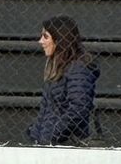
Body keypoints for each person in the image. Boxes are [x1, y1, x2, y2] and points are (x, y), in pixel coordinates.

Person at [27, 16, 100, 146]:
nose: (40, 41)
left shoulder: (78, 69)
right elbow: (47, 109)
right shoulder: (58, 68)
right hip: (49, 145)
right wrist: (35, 134)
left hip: (66, 147)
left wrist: (53, 135)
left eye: (46, 36)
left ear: (59, 38)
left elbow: (79, 108)